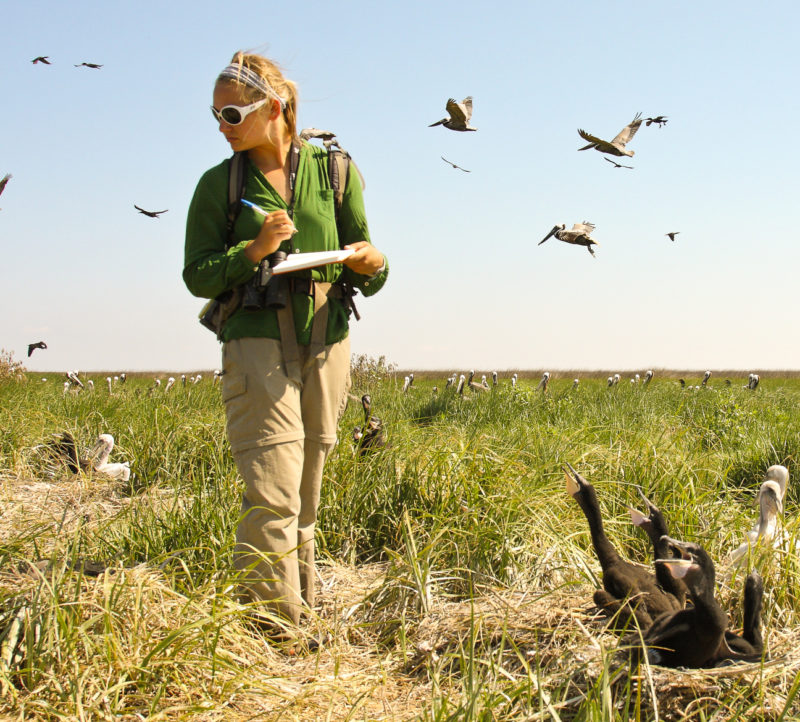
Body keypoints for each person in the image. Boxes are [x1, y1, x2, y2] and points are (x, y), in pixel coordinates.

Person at [183, 51, 388, 636]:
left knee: (307, 489)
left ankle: (303, 609)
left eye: (230, 113)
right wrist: (251, 251)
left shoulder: (336, 173)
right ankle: (272, 629)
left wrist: (373, 263)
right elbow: (197, 275)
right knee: (273, 487)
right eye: (215, 115)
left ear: (272, 108)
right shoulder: (216, 185)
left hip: (327, 338)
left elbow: (367, 257)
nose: (221, 126)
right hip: (254, 342)